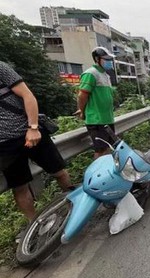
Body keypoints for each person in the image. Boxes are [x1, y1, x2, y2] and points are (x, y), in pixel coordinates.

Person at [0, 61, 72, 222]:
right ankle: (35, 226)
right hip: (5, 145)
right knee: (20, 187)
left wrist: (33, 128)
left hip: (30, 132)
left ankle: (74, 206)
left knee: (59, 172)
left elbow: (28, 95)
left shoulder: (1, 68)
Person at [75, 47, 116, 159]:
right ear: (97, 59)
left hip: (107, 118)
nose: (109, 62)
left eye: (110, 59)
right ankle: (97, 172)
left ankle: (107, 172)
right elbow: (82, 95)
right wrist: (82, 111)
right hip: (97, 120)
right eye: (106, 59)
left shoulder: (105, 75)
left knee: (108, 148)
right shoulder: (91, 73)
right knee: (100, 150)